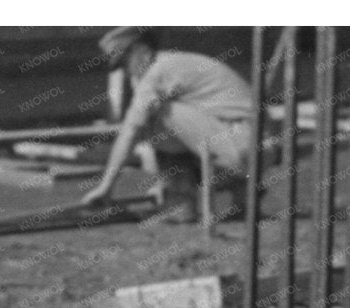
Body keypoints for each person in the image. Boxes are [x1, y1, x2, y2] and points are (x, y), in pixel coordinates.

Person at [81, 28, 257, 225]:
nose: (127, 69)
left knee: (152, 121)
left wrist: (105, 188)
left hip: (242, 146)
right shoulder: (170, 63)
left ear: (140, 49)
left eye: (125, 61)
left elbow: (130, 132)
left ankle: (180, 204)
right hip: (252, 144)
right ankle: (243, 197)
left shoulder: (157, 72)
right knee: (157, 119)